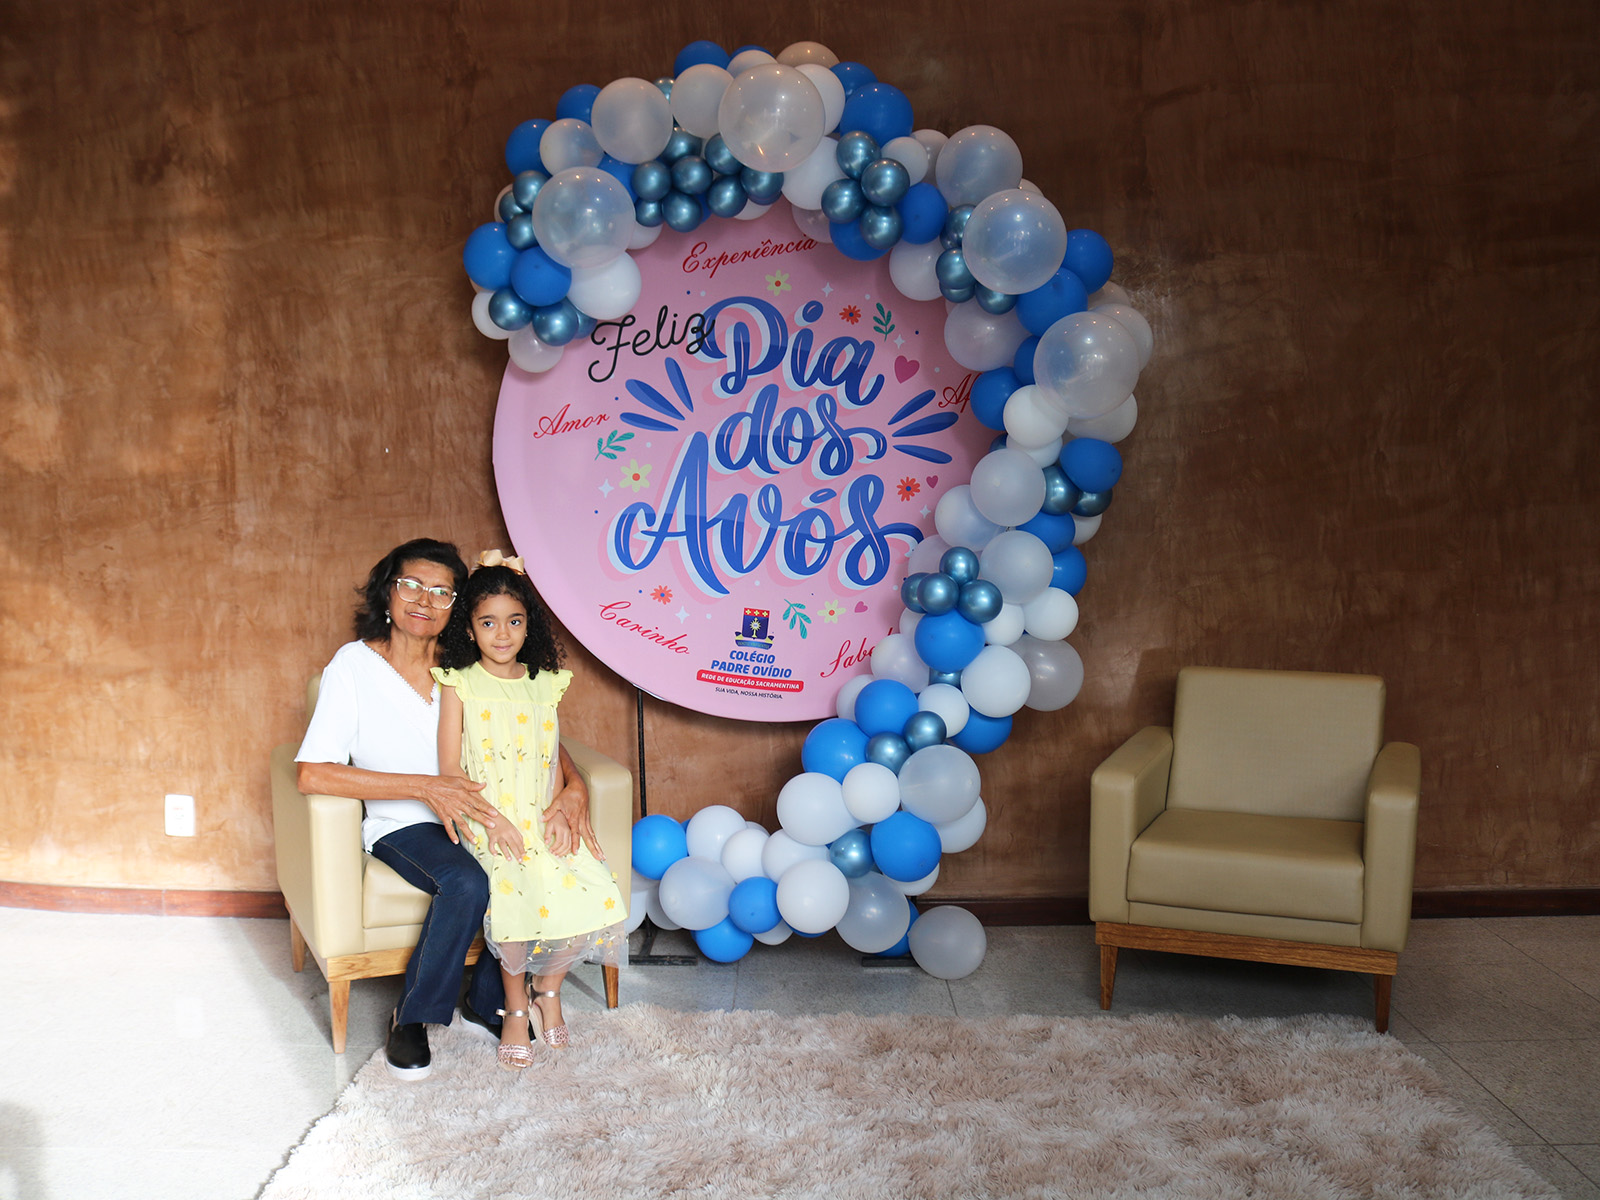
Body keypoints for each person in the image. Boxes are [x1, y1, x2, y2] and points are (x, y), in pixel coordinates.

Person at [294, 538, 601, 1080]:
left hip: (486, 815)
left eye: (441, 592)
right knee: (466, 881)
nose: (424, 600)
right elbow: (312, 773)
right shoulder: (354, 666)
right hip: (404, 822)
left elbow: (535, 731)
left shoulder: (469, 666)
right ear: (388, 591)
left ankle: (488, 1002)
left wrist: (575, 786)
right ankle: (411, 1016)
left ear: (458, 607)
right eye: (411, 585)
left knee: (529, 866)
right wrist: (427, 788)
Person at [433, 552, 626, 1071]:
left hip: (540, 814)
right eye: (488, 622)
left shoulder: (545, 684)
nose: (502, 634)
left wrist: (561, 808)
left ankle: (549, 992)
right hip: (487, 816)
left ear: (528, 625)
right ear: (469, 628)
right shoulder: (459, 682)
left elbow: (551, 755)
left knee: (592, 886)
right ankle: (515, 1008)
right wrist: (493, 821)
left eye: (514, 621)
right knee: (513, 894)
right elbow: (449, 769)